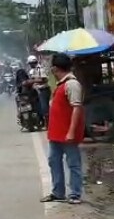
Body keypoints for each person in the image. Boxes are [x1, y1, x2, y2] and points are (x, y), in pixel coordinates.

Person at [40, 53, 85, 205]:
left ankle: (75, 194)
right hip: (56, 134)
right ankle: (58, 192)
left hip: (66, 133)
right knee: (54, 161)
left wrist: (71, 131)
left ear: (55, 69)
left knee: (73, 163)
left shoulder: (71, 84)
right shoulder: (61, 84)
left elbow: (76, 108)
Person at [25, 55, 50, 124]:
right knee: (36, 106)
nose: (30, 65)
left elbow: (44, 79)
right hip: (37, 90)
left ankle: (48, 123)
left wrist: (32, 81)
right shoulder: (34, 70)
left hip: (43, 90)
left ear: (33, 63)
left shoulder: (40, 69)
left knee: (44, 108)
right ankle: (40, 120)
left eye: (30, 64)